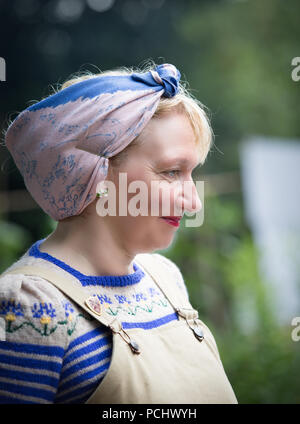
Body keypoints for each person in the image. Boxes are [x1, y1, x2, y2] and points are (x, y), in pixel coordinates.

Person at [0, 62, 238, 404]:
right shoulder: (28, 304)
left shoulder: (165, 279)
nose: (193, 202)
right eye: (172, 172)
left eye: (191, 173)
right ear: (94, 172)